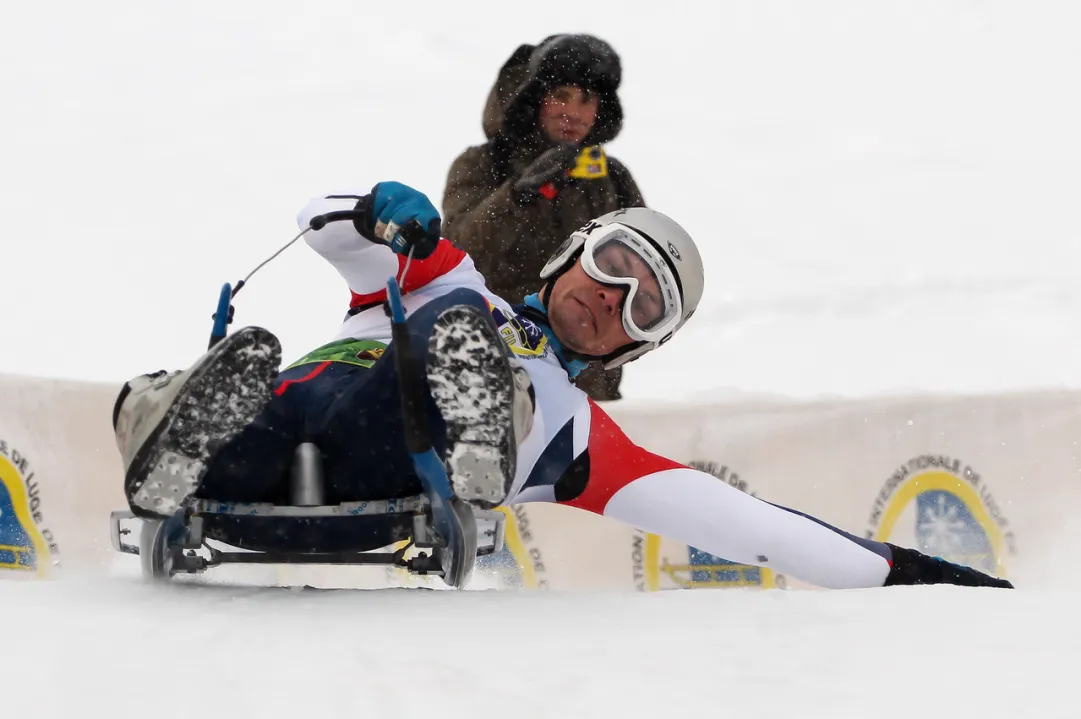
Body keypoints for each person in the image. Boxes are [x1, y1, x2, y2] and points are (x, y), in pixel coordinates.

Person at [112, 180, 1013, 590]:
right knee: (258, 365)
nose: (609, 299)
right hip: (282, 417)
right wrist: (377, 209)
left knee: (441, 340)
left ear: (636, 346)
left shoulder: (583, 435)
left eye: (641, 306)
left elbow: (757, 528)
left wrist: (917, 574)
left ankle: (475, 425)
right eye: (613, 265)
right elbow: (314, 224)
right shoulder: (446, 275)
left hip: (393, 453)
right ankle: (178, 429)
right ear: (569, 255)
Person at [442, 33, 643, 402]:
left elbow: (643, 277)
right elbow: (455, 258)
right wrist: (516, 197)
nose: (574, 113)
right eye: (561, 96)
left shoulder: (610, 178)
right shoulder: (482, 165)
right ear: (533, 99)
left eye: (587, 100)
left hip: (585, 390)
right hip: (488, 375)